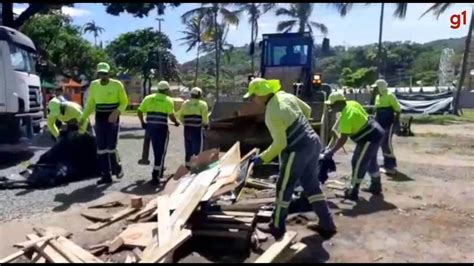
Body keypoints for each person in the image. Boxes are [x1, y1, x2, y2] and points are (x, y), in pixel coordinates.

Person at [246, 78, 337, 240]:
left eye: (253, 96)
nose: (253, 100)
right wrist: (297, 126)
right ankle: (327, 223)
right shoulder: (285, 96)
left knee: (284, 185)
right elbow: (307, 110)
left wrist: (262, 158)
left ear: (261, 95)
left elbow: (281, 143)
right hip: (313, 142)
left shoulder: (272, 113)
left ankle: (276, 225)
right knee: (311, 186)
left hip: (297, 149)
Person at [322, 91, 385, 201]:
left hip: (369, 137)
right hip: (376, 131)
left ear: (338, 103)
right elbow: (337, 129)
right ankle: (376, 185)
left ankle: (353, 191)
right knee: (370, 161)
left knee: (358, 161)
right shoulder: (351, 103)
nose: (330, 107)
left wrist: (331, 151)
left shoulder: (347, 116)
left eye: (331, 105)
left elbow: (343, 139)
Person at [80, 62, 128, 185]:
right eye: (101, 73)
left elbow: (124, 102)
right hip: (100, 117)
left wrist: (117, 112)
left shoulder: (117, 85)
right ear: (98, 73)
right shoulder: (94, 85)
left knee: (111, 147)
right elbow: (91, 104)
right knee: (101, 148)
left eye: (105, 73)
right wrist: (83, 117)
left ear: (109, 73)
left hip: (113, 117)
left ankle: (117, 167)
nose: (103, 75)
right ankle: (106, 176)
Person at [137, 81, 180, 185]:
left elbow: (139, 111)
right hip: (161, 128)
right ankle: (155, 176)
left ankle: (157, 169)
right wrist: (176, 122)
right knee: (160, 152)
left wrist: (143, 122)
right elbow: (171, 115)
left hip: (150, 128)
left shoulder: (148, 98)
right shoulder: (168, 100)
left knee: (153, 148)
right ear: (166, 90)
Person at [372, 79, 401, 175]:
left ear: (380, 87)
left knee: (387, 143)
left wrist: (396, 122)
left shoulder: (390, 96)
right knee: (381, 143)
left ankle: (391, 165)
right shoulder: (377, 97)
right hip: (380, 122)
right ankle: (386, 163)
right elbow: (377, 111)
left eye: (375, 88)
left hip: (389, 122)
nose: (374, 90)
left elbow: (398, 110)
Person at [176, 87, 209, 168]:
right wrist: (206, 125)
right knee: (197, 149)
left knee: (188, 149)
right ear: (200, 95)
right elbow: (205, 118)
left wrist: (185, 123)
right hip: (197, 130)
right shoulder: (202, 104)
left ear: (191, 94)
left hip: (187, 129)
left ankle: (187, 166)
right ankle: (196, 167)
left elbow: (180, 116)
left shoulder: (185, 103)